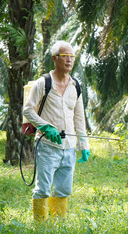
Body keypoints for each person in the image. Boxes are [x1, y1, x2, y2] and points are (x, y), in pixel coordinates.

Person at [23, 40, 90, 222]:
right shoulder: (43, 83)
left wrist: (83, 145)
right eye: (65, 56)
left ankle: (57, 226)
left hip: (68, 147)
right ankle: (40, 226)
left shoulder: (75, 85)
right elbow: (27, 110)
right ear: (55, 58)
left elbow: (79, 117)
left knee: (63, 190)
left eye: (72, 56)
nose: (69, 60)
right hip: (47, 146)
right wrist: (44, 126)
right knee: (43, 189)